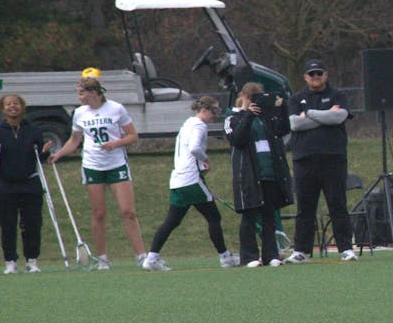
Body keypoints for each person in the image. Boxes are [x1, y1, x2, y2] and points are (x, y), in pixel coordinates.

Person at [48, 76, 146, 269]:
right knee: (99, 213)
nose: (80, 97)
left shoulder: (116, 108)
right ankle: (102, 258)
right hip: (93, 166)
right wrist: (58, 154)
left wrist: (115, 144)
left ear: (93, 92)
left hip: (116, 164)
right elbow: (75, 140)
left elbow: (133, 136)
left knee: (128, 212)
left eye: (82, 93)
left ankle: (141, 256)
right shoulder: (79, 113)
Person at [142, 97, 238, 271]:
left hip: (178, 180)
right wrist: (205, 160)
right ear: (204, 110)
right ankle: (225, 258)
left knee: (172, 221)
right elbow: (194, 148)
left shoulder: (188, 123)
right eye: (214, 111)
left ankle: (151, 258)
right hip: (191, 180)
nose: (215, 116)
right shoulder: (199, 126)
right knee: (213, 217)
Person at [284, 58, 358, 263]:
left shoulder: (338, 95)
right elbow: (295, 124)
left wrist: (308, 114)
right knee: (305, 207)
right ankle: (302, 251)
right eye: (311, 74)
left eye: (319, 73)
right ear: (305, 77)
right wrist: (323, 116)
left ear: (325, 75)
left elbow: (338, 117)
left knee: (337, 204)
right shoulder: (296, 98)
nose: (315, 77)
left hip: (333, 158)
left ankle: (346, 248)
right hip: (304, 160)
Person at [224, 82, 293, 267]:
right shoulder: (233, 117)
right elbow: (237, 138)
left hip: (269, 172)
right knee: (249, 215)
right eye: (252, 98)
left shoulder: (266, 118)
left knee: (269, 215)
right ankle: (249, 256)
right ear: (244, 98)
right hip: (249, 173)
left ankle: (271, 254)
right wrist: (247, 114)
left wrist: (282, 108)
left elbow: (283, 129)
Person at [0, 94, 53, 274]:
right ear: (3, 109)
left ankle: (32, 260)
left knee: (33, 223)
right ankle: (10, 261)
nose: (13, 107)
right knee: (8, 224)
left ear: (22, 107)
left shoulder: (33, 130)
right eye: (9, 104)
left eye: (16, 103)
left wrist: (45, 151)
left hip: (30, 183)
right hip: (6, 184)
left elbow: (41, 158)